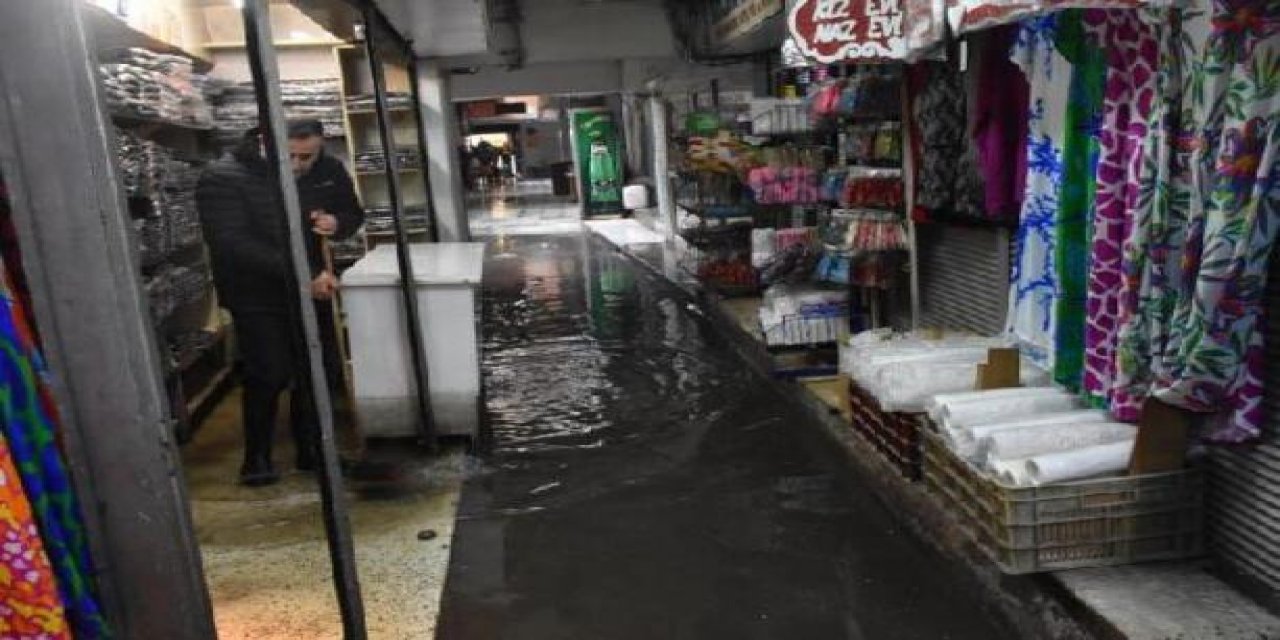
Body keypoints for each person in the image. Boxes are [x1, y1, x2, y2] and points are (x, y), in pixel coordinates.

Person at [196, 120, 363, 486]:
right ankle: (257, 458)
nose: (300, 165)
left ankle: (312, 451)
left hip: (313, 286)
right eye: (290, 156)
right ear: (264, 142)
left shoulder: (327, 169)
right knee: (269, 371)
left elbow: (353, 214)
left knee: (316, 370)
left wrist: (337, 222)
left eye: (308, 156)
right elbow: (232, 243)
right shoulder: (223, 177)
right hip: (255, 290)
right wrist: (301, 274)